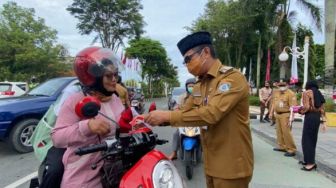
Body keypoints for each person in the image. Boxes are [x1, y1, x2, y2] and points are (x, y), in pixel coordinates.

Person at [145, 31, 253, 188]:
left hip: (232, 166)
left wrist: (167, 116)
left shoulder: (231, 78)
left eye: (188, 59)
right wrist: (153, 119)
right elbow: (184, 110)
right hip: (211, 163)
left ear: (206, 53)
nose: (187, 65)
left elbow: (211, 114)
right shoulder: (200, 85)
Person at [51, 47, 130, 188]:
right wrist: (86, 127)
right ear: (93, 78)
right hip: (84, 173)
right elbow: (57, 138)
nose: (114, 80)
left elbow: (133, 120)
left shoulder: (115, 99)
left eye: (116, 75)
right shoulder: (75, 101)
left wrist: (144, 120)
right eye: (108, 76)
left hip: (115, 168)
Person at [298, 80, 327, 171]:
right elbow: (322, 109)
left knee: (306, 140)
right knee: (312, 140)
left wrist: (299, 110)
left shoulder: (307, 93)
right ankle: (309, 160)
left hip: (310, 116)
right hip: (317, 118)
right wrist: (324, 121)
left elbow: (306, 107)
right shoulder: (319, 93)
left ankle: (310, 163)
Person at [168, 77, 196, 160]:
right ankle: (174, 153)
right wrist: (175, 110)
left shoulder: (200, 96)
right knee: (176, 134)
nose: (191, 88)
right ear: (186, 87)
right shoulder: (182, 97)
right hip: (184, 121)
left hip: (197, 121)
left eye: (193, 86)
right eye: (189, 86)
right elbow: (177, 107)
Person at [269, 79, 297, 157]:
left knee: (286, 132)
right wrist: (271, 112)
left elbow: (293, 107)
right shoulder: (276, 93)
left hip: (286, 115)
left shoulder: (290, 94)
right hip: (277, 114)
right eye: (280, 85)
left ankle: (291, 149)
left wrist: (292, 118)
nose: (281, 87)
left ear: (287, 85)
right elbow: (274, 103)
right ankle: (282, 146)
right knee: (279, 131)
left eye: (283, 85)